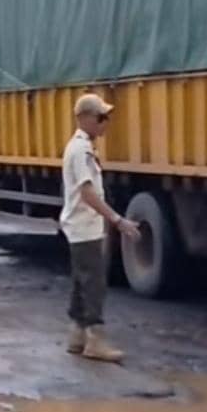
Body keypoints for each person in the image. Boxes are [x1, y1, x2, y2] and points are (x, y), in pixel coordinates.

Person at [60, 93, 140, 363]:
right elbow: (88, 193)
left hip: (81, 225)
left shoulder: (82, 147)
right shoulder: (80, 150)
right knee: (94, 282)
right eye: (101, 117)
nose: (105, 123)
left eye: (106, 118)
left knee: (82, 280)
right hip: (84, 225)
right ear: (84, 119)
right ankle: (94, 340)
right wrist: (118, 220)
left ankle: (77, 336)